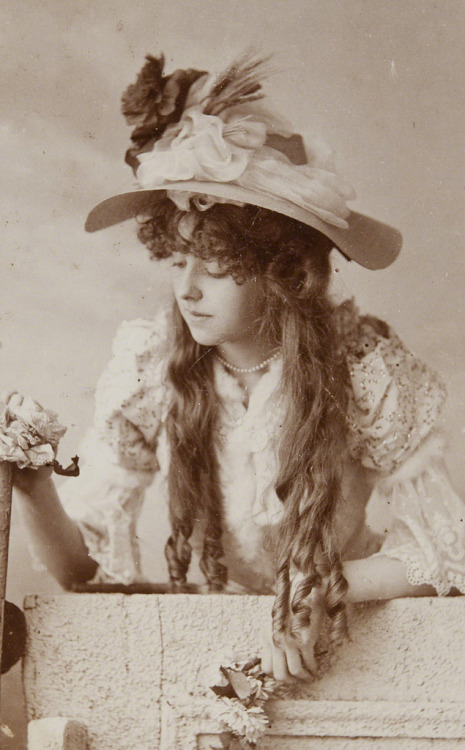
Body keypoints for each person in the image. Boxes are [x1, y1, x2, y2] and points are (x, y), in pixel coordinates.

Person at [9, 53, 465, 682]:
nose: (188, 290)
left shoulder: (362, 371)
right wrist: (32, 484)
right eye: (176, 262)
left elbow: (444, 551)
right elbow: (83, 572)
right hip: (221, 646)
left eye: (216, 267)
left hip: (350, 641)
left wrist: (322, 584)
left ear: (284, 275)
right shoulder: (152, 367)